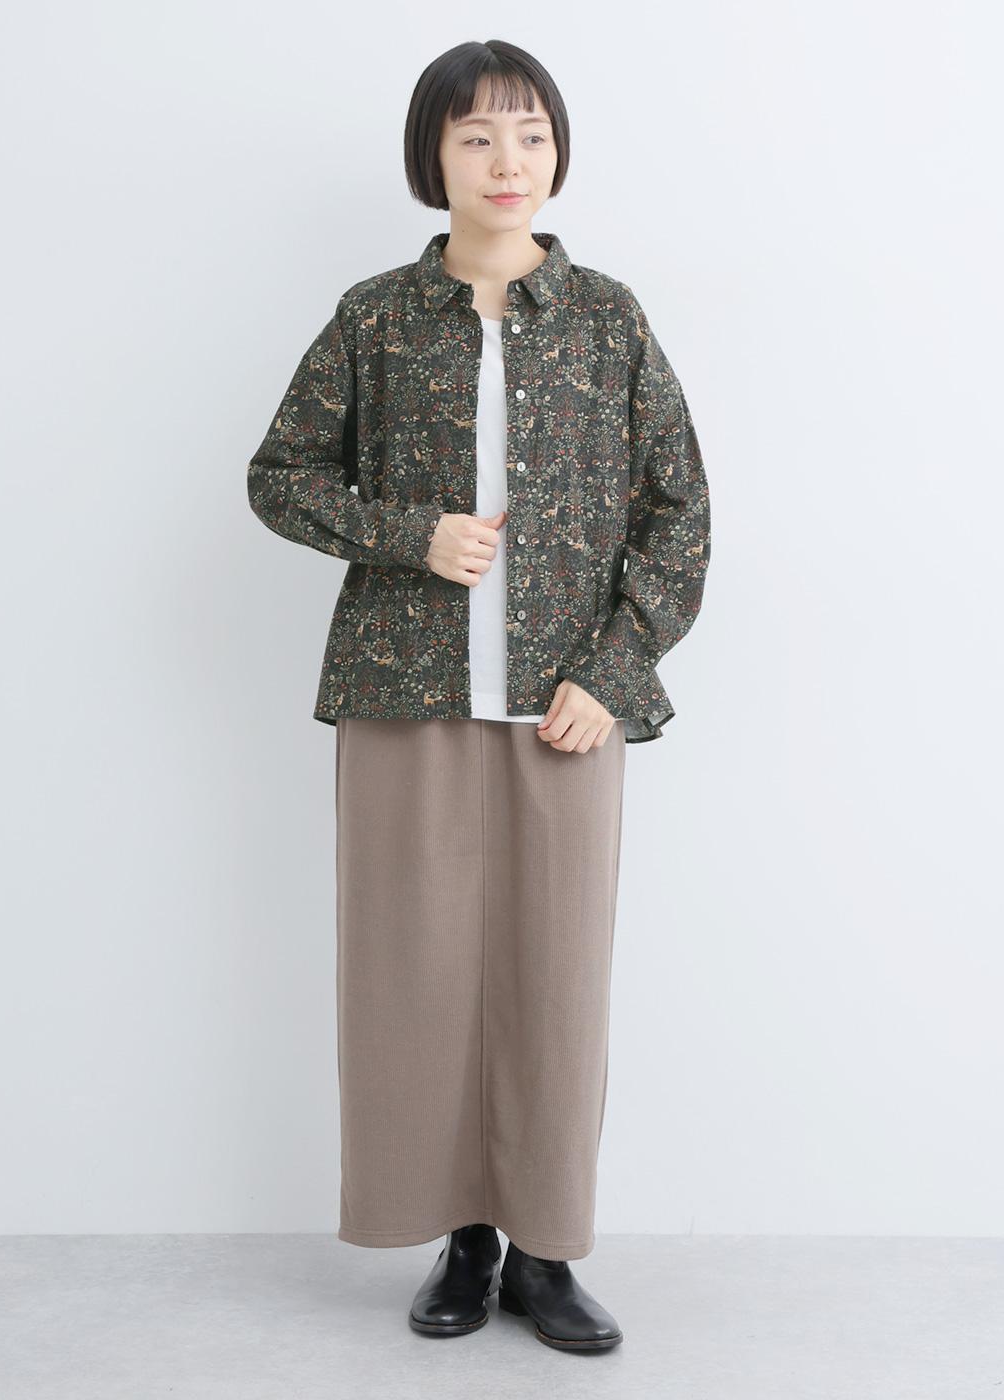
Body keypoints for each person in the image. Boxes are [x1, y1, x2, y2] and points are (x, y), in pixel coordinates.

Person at [246, 39, 710, 1353]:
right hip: (408, 693)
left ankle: (545, 1250)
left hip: (568, 707)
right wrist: (412, 534)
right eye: (477, 137)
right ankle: (461, 1238)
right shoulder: (376, 317)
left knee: (556, 981)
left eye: (530, 134)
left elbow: (679, 513)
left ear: (557, 152)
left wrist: (614, 673)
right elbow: (282, 475)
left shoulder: (610, 317)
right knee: (415, 974)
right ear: (433, 157)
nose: (509, 162)